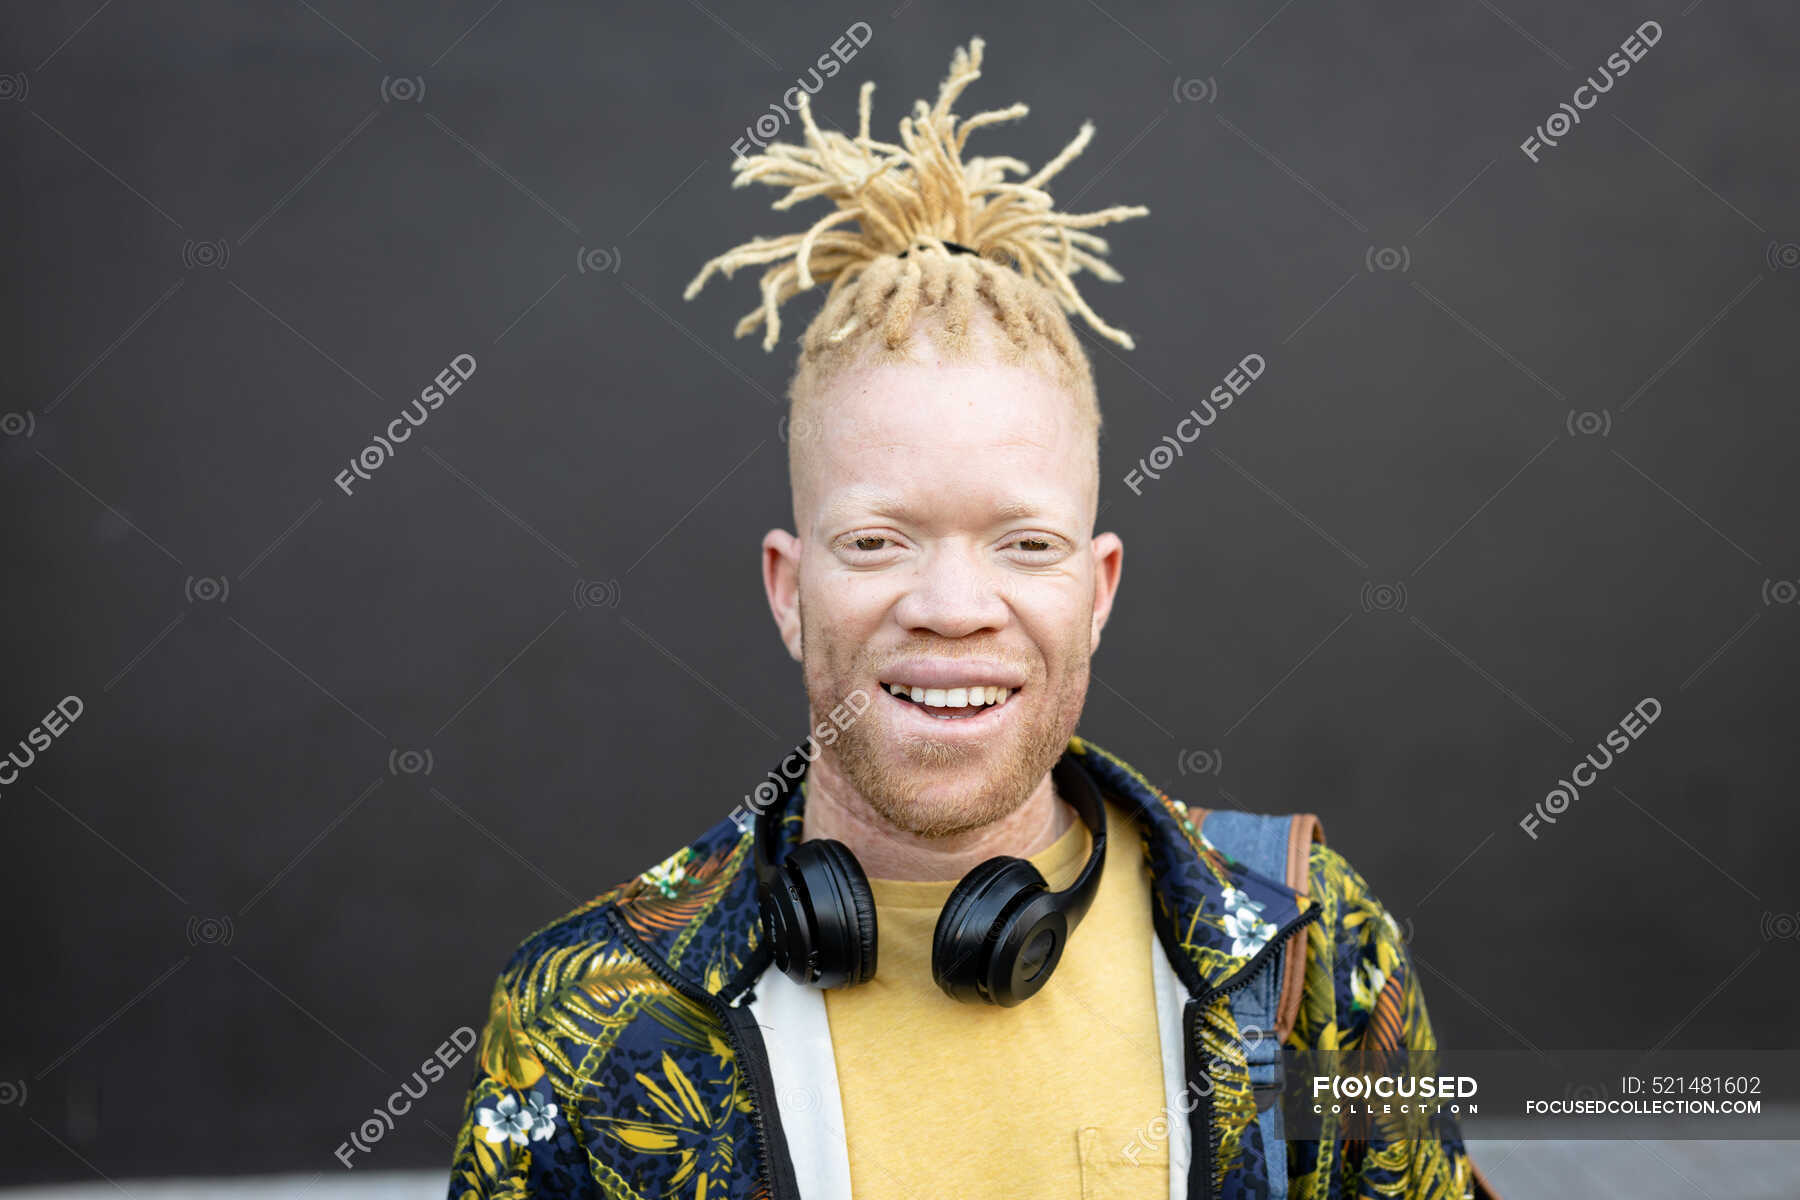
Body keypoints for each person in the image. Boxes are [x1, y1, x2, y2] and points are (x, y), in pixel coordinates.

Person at [446, 36, 1496, 1200]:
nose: (953, 609)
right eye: (879, 541)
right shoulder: (583, 1017)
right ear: (789, 590)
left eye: (1025, 544)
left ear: (1096, 591)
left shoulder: (1316, 947)